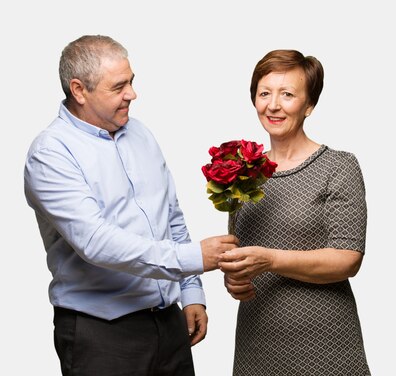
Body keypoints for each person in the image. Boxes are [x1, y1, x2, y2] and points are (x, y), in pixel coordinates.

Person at [23, 35, 238, 376]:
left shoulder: (141, 134)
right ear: (79, 90)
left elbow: (171, 217)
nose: (132, 94)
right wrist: (194, 258)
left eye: (131, 81)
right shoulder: (51, 154)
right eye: (119, 86)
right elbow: (96, 242)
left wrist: (191, 289)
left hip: (168, 324)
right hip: (102, 336)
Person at [218, 49, 371, 375]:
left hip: (326, 349)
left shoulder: (339, 166)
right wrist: (235, 278)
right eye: (264, 93)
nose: (273, 105)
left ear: (309, 105)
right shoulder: (241, 172)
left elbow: (348, 259)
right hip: (256, 348)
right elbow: (240, 251)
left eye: (287, 94)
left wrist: (269, 260)